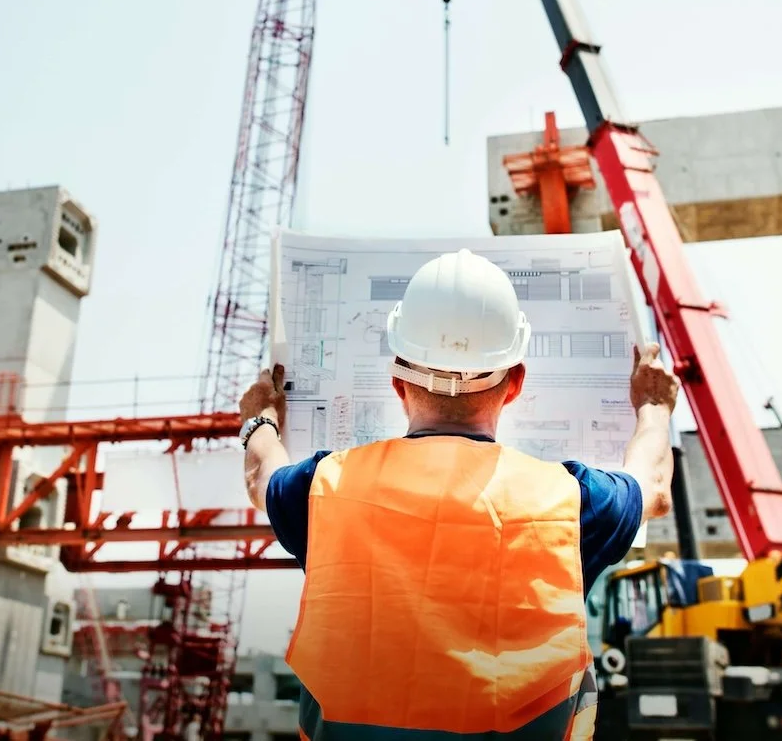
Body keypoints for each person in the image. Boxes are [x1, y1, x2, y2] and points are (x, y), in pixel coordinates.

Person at [238, 248, 679, 740]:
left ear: (398, 382)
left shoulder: (324, 488)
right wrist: (654, 408)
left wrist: (262, 419)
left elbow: (262, 476)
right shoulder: (571, 502)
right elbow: (654, 487)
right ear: (514, 384)